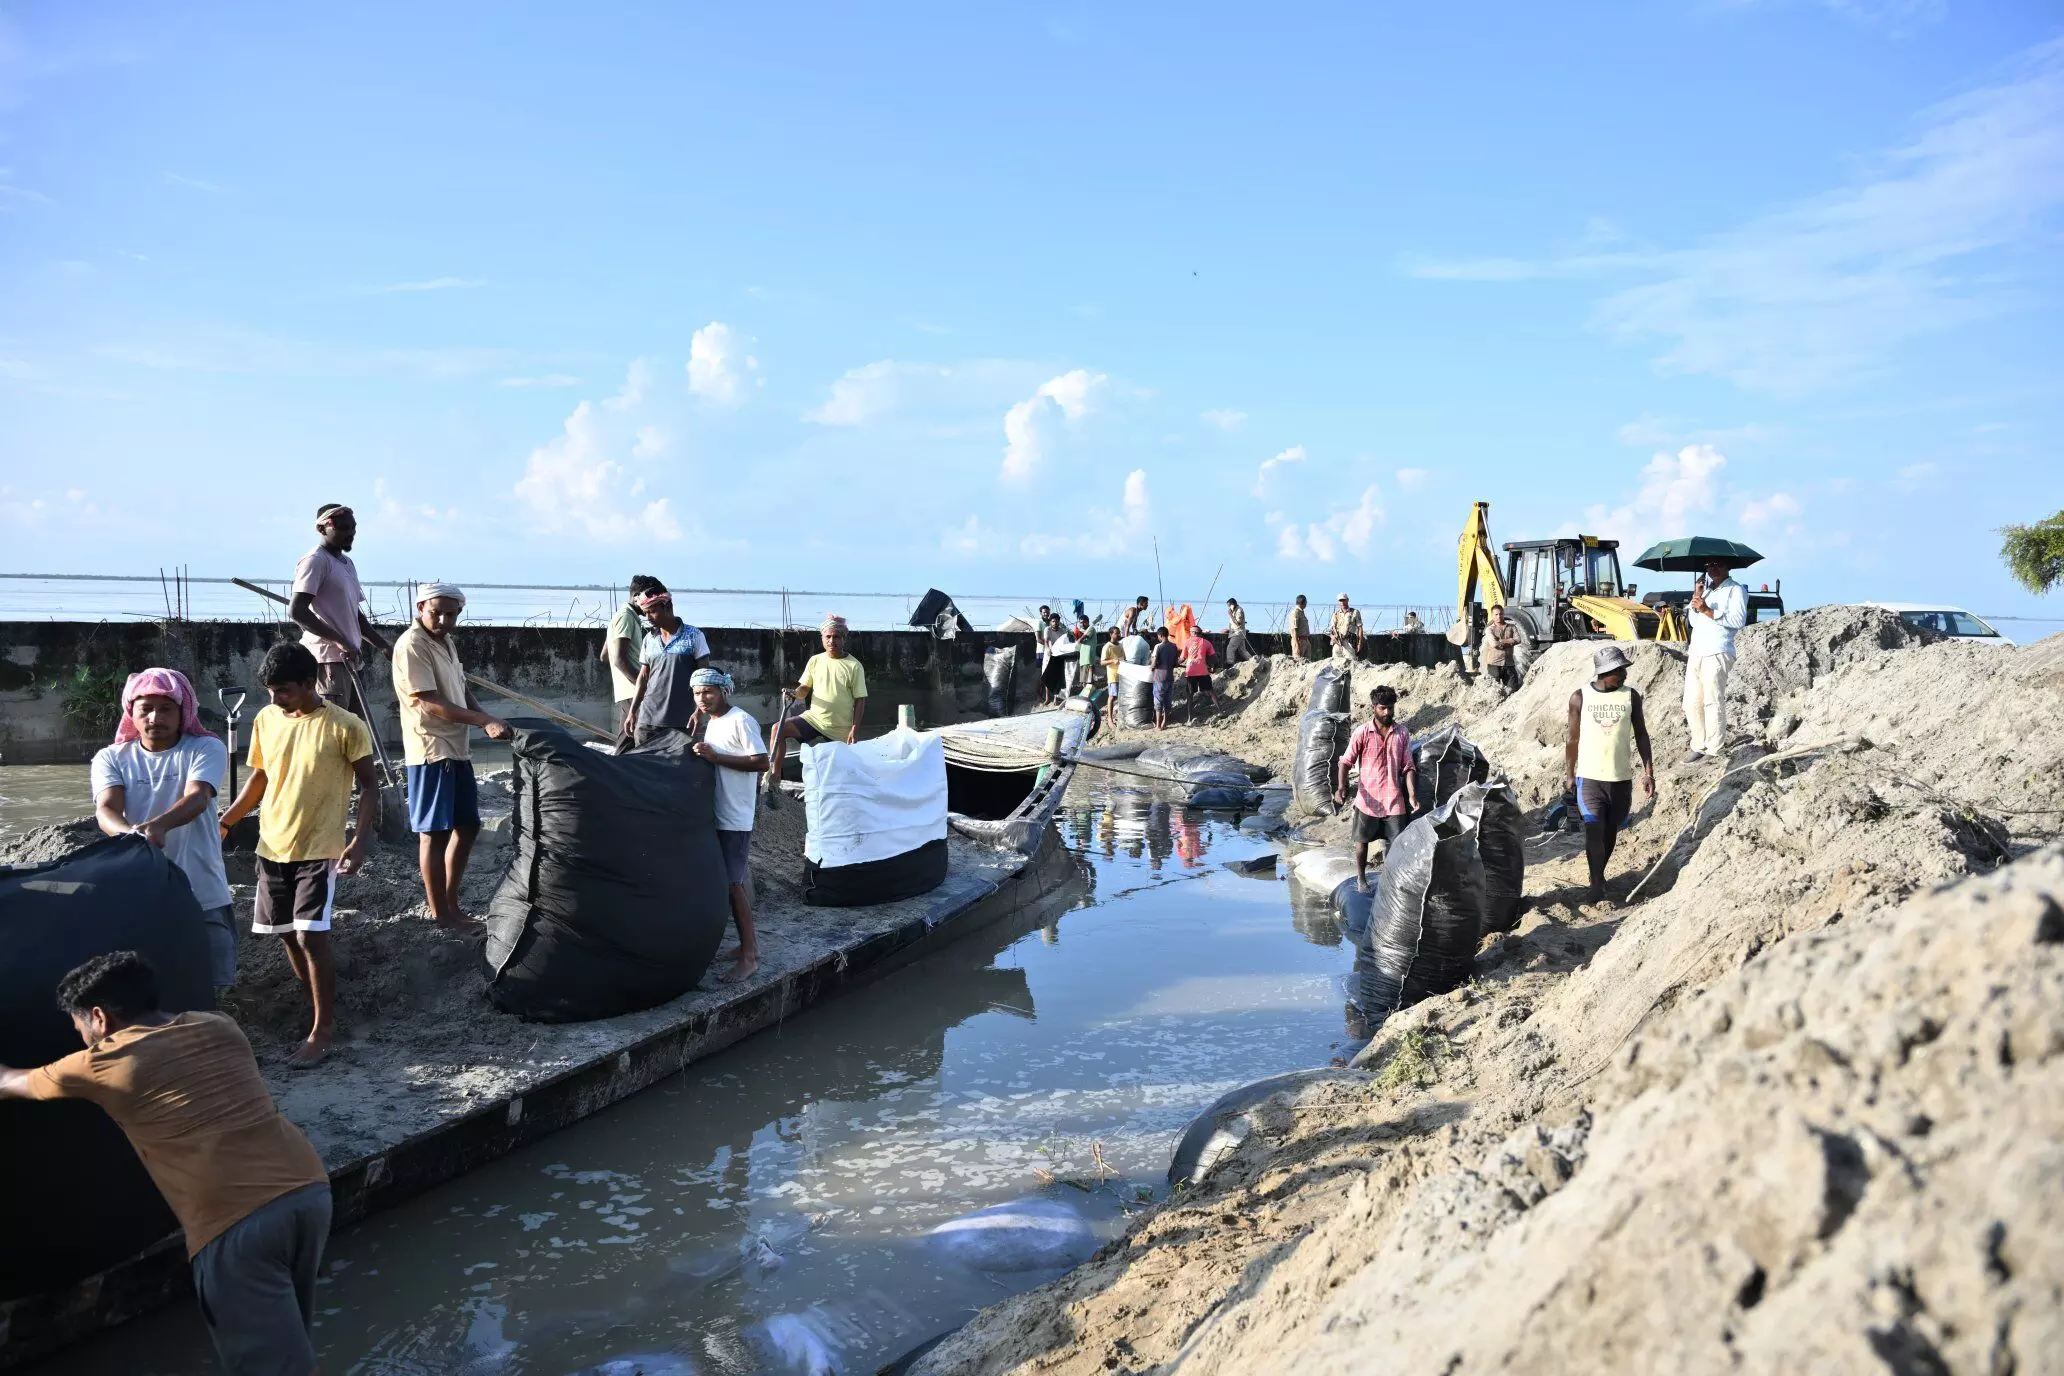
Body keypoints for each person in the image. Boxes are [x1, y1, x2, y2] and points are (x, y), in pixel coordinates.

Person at [0, 951, 332, 1376]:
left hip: (236, 1221)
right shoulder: (218, 1025)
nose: (81, 1037)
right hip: (307, 1191)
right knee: (291, 1352)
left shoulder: (103, 1062)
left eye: (79, 1026)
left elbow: (10, 1081)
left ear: (99, 1017)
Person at [217, 642, 378, 1068]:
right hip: (272, 844)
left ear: (310, 683)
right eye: (270, 691)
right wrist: (226, 821)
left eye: (284, 690)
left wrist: (359, 840)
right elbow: (260, 778)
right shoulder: (267, 719)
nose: (275, 699)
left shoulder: (345, 725)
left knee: (310, 935)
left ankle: (322, 1032)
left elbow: (370, 785)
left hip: (320, 847)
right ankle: (317, 1007)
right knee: (287, 933)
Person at [91, 669, 238, 999]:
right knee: (145, 993)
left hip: (202, 890)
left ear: (183, 711)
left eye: (166, 708)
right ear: (131, 712)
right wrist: (131, 835)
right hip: (138, 892)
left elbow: (198, 797)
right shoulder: (110, 758)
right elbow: (106, 809)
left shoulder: (205, 747)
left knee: (213, 991)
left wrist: (158, 826)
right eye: (146, 709)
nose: (155, 717)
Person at [391, 582, 512, 935]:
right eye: (436, 613)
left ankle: (450, 903)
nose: (443, 620)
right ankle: (440, 912)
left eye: (450, 614)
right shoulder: (412, 645)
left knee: (468, 826)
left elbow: (462, 688)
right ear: (420, 609)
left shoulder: (445, 642)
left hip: (456, 747)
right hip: (431, 748)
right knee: (435, 833)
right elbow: (429, 702)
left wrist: (486, 716)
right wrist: (483, 721)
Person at [687, 668, 764, 983]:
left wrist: (716, 758)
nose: (702, 698)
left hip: (736, 817)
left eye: (708, 691)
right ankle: (748, 946)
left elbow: (761, 761)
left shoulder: (741, 720)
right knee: (731, 882)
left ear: (723, 691)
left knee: (734, 886)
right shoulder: (714, 723)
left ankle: (749, 958)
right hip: (719, 813)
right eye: (697, 693)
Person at [1564, 644, 1657, 907]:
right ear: (1605, 672)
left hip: (1620, 779)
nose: (1625, 674)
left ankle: (1599, 873)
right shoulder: (1580, 697)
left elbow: (1641, 734)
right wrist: (1569, 774)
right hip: (1589, 778)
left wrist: (1648, 772)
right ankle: (1596, 883)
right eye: (1620, 670)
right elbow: (1572, 739)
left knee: (1610, 831)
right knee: (1594, 830)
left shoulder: (1631, 696)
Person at [288, 502, 390, 719]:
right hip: (328, 661)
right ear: (322, 528)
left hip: (351, 659)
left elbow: (355, 614)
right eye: (343, 528)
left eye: (353, 527)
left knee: (355, 727)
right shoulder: (315, 561)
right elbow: (297, 611)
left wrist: (383, 646)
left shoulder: (346, 563)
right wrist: (341, 641)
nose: (350, 533)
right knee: (331, 726)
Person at [768, 614, 869, 785]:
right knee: (778, 729)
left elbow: (860, 699)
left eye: (836, 637)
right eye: (828, 637)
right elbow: (804, 689)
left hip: (840, 727)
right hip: (814, 719)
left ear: (843, 639)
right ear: (822, 638)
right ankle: (774, 776)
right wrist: (794, 693)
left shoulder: (854, 665)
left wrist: (855, 729)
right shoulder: (815, 660)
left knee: (849, 775)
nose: (831, 641)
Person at [1335, 685, 1418, 893]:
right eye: (1383, 708)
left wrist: (1412, 795)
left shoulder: (1402, 733)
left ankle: (1391, 882)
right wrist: (1342, 787)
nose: (1387, 712)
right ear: (1373, 708)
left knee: (1397, 844)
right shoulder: (1362, 732)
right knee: (1361, 842)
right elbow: (1345, 762)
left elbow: (1408, 766)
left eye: (1390, 708)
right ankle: (1361, 879)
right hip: (1368, 798)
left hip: (1393, 798)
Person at [623, 581, 713, 746]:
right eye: (645, 613)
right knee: (643, 762)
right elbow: (643, 678)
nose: (648, 618)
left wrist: (698, 713)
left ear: (668, 607)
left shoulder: (694, 636)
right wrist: (632, 711)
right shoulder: (649, 639)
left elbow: (704, 678)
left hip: (683, 722)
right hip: (647, 721)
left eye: (652, 612)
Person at [1682, 557, 1746, 763]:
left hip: (1717, 650)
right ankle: (1699, 745)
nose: (1713, 568)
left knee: (1712, 701)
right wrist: (1697, 597)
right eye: (1709, 565)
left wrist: (1707, 610)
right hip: (1696, 652)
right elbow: (1693, 621)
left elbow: (1738, 620)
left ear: (1727, 566)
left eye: (1718, 564)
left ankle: (1714, 748)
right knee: (1692, 702)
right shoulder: (1707, 592)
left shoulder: (1735, 590)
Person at [603, 575, 661, 733]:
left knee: (629, 735)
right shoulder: (626, 617)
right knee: (639, 735)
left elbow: (605, 654)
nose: (652, 603)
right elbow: (619, 659)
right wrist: (642, 687)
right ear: (636, 597)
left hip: (628, 689)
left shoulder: (622, 616)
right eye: (649, 597)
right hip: (633, 689)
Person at [1483, 604, 1522, 693]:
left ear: (1503, 614)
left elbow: (1518, 640)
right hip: (1494, 664)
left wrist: (1501, 641)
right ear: (1492, 615)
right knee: (1494, 692)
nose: (1499, 616)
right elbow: (1494, 644)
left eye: (1500, 614)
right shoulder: (1489, 629)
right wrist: (1510, 641)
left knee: (1513, 690)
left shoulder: (1512, 627)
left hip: (1509, 663)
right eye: (1496, 614)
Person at [1149, 626, 1180, 730]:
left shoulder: (1158, 646)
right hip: (1170, 677)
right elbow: (1176, 663)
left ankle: (1158, 725)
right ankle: (1164, 723)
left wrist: (1151, 667)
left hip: (1159, 677)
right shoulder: (1174, 646)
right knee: (1167, 701)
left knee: (1158, 701)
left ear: (1160, 635)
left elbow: (1154, 663)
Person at [1184, 627, 1216, 718]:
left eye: (1190, 631)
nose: (1190, 633)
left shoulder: (1187, 642)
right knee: (1210, 691)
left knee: (1190, 695)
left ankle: (1190, 717)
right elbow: (1213, 656)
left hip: (1191, 671)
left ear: (1193, 632)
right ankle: (1220, 710)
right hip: (1203, 671)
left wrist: (1175, 663)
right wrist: (1213, 667)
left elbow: (1182, 658)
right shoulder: (1206, 642)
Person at [1099, 626, 1124, 729]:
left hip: (1122, 674)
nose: (1118, 635)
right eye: (1116, 633)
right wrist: (1113, 661)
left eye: (1119, 633)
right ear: (1111, 634)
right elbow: (1102, 662)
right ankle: (1110, 719)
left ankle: (1119, 717)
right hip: (1113, 675)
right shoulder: (1107, 647)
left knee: (1121, 697)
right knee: (1112, 697)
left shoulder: (1120, 645)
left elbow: (1124, 657)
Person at [1329, 594, 1365, 659]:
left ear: (1347, 600)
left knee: (1351, 662)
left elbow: (1360, 628)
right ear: (1338, 602)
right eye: (1340, 600)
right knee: (1335, 662)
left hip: (1349, 642)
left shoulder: (1355, 612)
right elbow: (1332, 629)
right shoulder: (1335, 614)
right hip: (1337, 643)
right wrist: (1333, 637)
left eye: (1344, 600)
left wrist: (1360, 643)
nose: (1342, 602)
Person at [1223, 598, 1254, 664]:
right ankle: (1253, 661)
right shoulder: (1234, 610)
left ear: (1233, 604)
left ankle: (1230, 662)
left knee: (1230, 648)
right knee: (1242, 650)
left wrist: (1230, 615)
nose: (1229, 607)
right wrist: (1229, 629)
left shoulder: (1239, 610)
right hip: (1237, 632)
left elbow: (1238, 623)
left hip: (1238, 633)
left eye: (1229, 605)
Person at [1074, 614, 1096, 699]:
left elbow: (1081, 639)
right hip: (1083, 658)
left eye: (1084, 622)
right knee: (1083, 680)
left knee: (1089, 680)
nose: (1082, 624)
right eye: (1081, 623)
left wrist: (1078, 638)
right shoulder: (1083, 631)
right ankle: (1085, 696)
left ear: (1088, 622)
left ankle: (1088, 697)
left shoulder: (1091, 628)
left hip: (1088, 657)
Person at [1290, 594, 1311, 660]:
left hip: (1305, 640)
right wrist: (1297, 645)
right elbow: (1294, 630)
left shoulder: (1301, 612)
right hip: (1299, 641)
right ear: (1303, 602)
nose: (1306, 603)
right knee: (1298, 660)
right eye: (1306, 601)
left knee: (1307, 662)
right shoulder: (1295, 612)